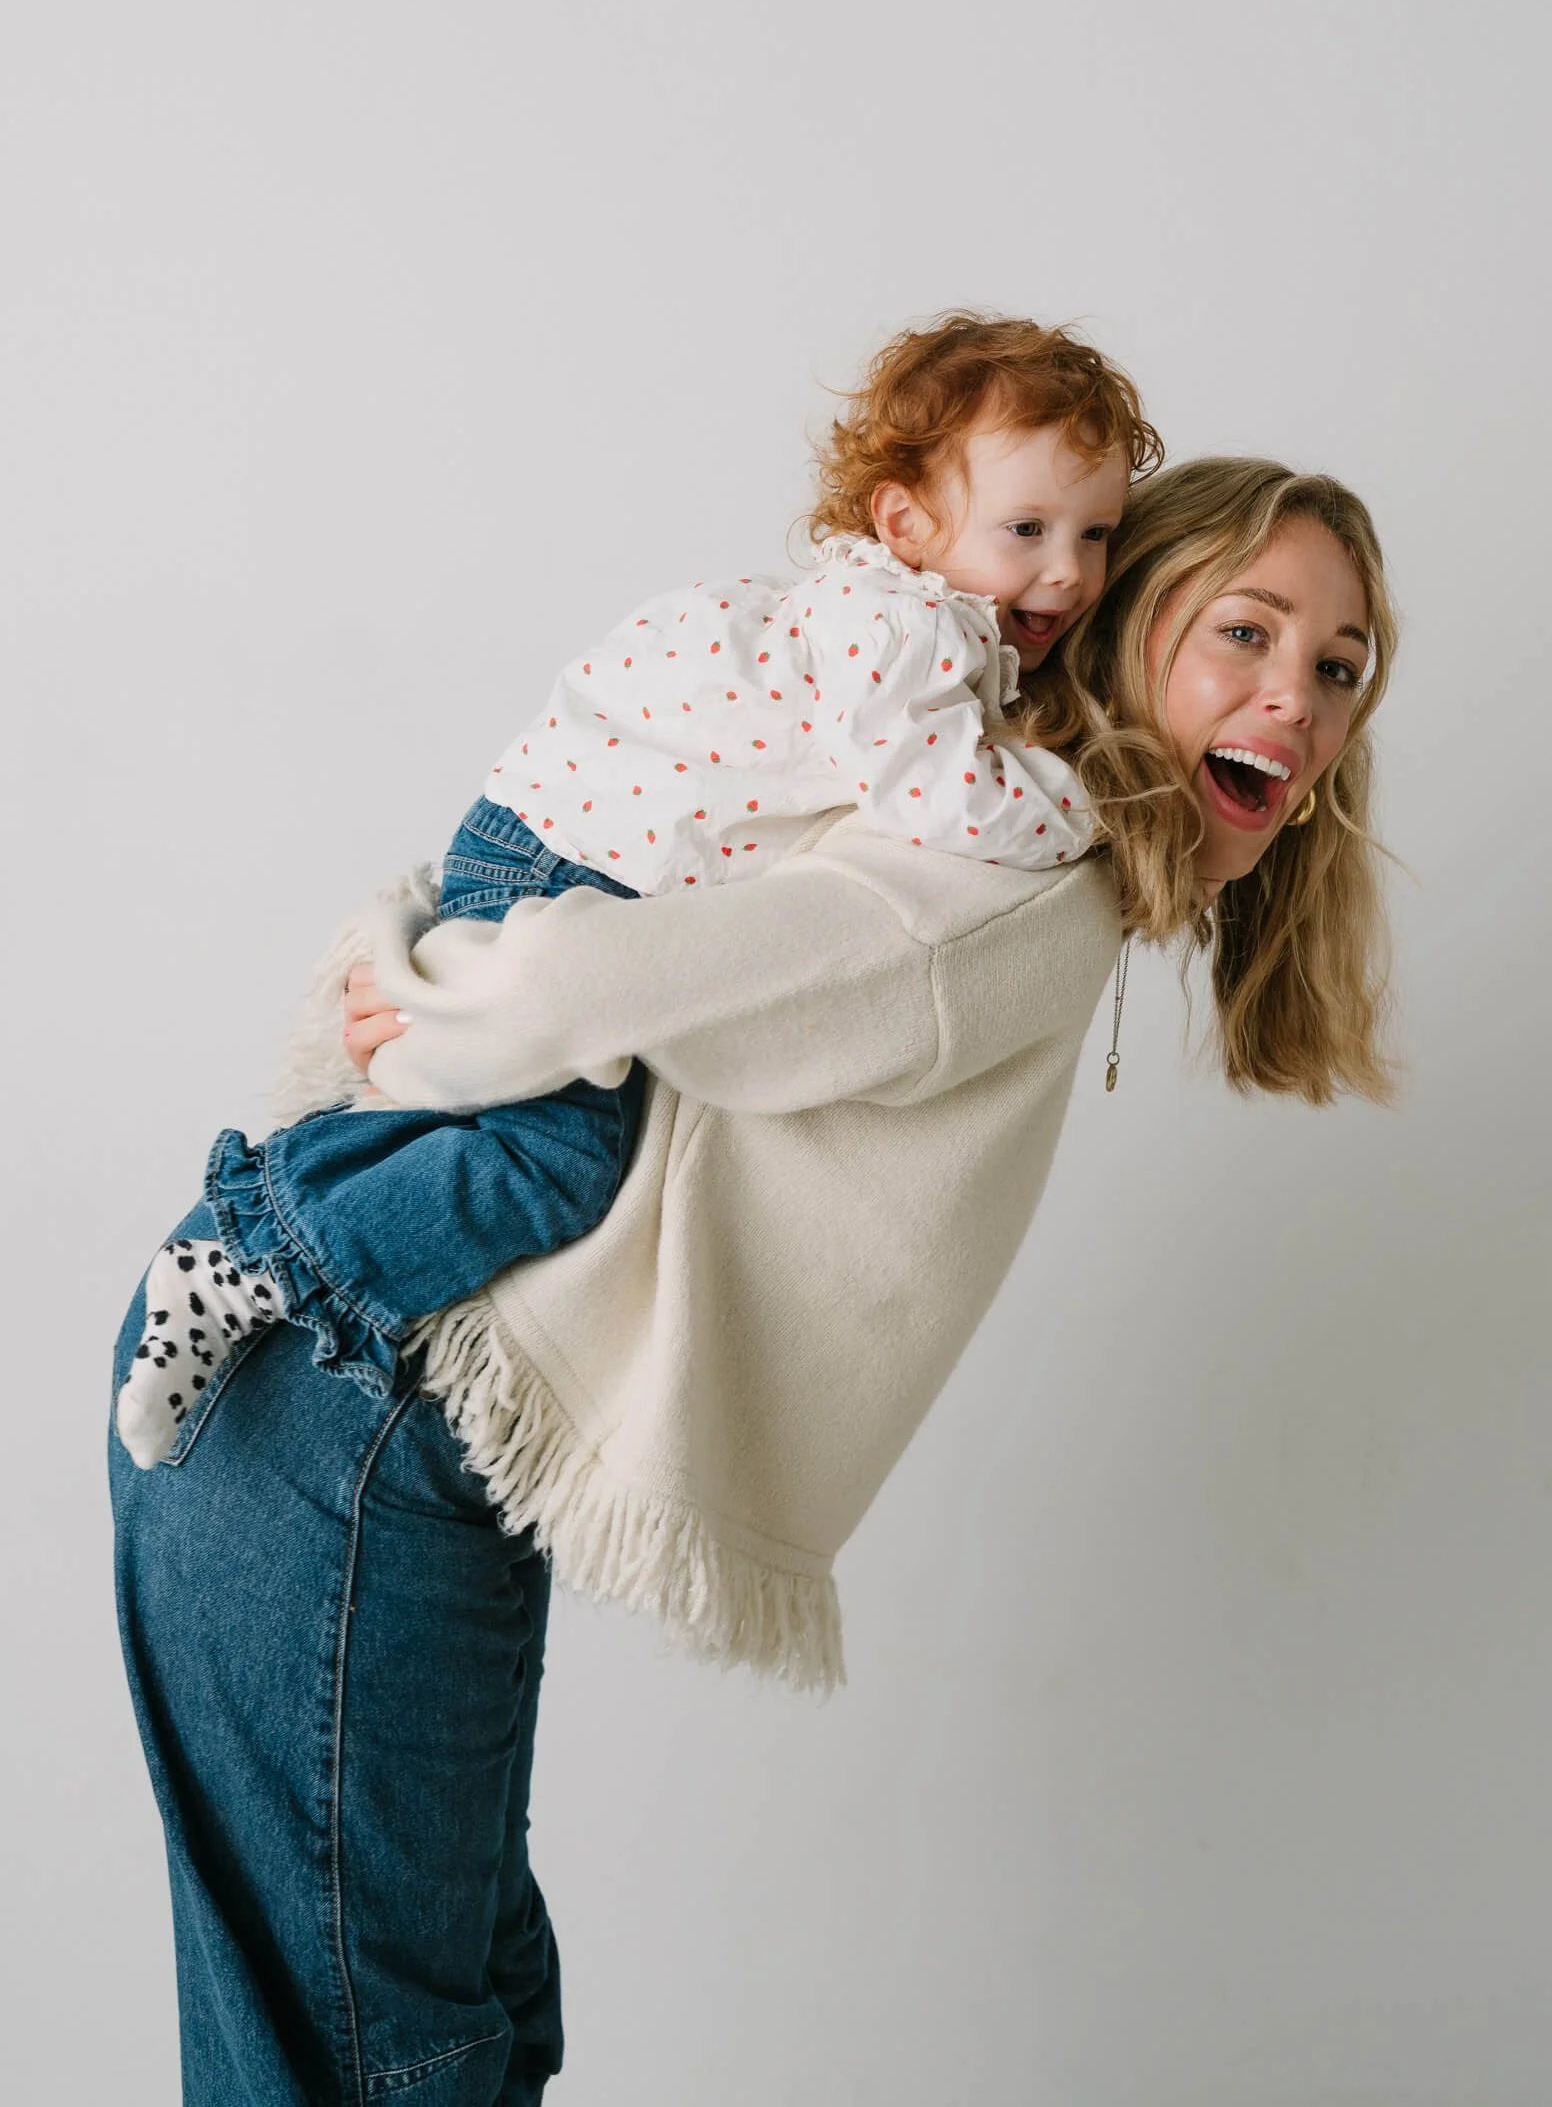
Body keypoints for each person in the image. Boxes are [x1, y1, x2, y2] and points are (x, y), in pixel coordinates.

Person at [109, 452, 1395, 2104]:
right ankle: (273, 1228)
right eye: (1249, 632)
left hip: (355, 1419)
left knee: (431, 2034)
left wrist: (411, 972)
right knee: (399, 2060)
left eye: (1339, 668)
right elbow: (606, 964)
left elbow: (583, 874)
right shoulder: (1016, 879)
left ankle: (269, 1231)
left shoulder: (959, 806)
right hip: (353, 1420)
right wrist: (428, 997)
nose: (1292, 702)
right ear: (1131, 618)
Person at [115, 312, 1158, 1469]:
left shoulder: (891, 617)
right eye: (1027, 528)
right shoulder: (897, 627)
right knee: (554, 1169)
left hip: (560, 840)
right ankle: (254, 1257)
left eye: (1096, 534)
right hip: (567, 861)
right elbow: (936, 797)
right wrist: (1087, 804)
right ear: (906, 522)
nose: (1067, 570)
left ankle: (283, 1230)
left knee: (507, 1131)